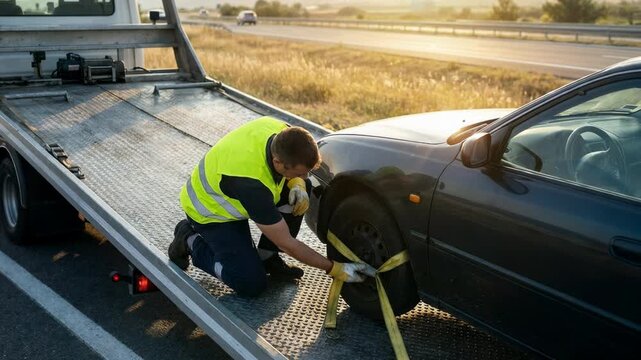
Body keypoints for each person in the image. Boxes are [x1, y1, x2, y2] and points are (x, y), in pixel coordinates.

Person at [169, 116, 372, 297]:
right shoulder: (252, 184)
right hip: (212, 213)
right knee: (250, 284)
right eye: (298, 172)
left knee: (303, 189)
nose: (303, 175)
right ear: (277, 161)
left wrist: (297, 183)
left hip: (238, 197)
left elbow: (298, 171)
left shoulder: (279, 130)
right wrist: (335, 268)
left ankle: (267, 258)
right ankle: (189, 239)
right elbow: (288, 243)